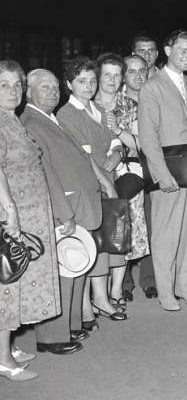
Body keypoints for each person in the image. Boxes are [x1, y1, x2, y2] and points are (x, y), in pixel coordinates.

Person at [21, 69, 105, 355]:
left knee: (76, 265)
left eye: (55, 87)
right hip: (64, 206)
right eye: (44, 87)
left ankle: (70, 324)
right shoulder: (31, 122)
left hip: (77, 202)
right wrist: (63, 211)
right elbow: (45, 172)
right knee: (61, 272)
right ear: (28, 92)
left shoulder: (48, 118)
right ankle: (51, 336)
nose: (52, 92)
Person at [138, 29, 187, 311]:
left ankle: (185, 287)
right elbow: (148, 137)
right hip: (167, 168)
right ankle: (166, 291)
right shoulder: (152, 87)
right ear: (167, 51)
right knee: (166, 233)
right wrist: (161, 175)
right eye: (182, 51)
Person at [0, 60, 60, 381]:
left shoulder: (10, 118)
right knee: (6, 287)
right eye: (4, 85)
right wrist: (9, 210)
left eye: (17, 85)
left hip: (26, 213)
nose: (12, 91)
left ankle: (7, 347)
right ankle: (3, 361)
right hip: (11, 216)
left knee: (16, 280)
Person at [57, 57, 127, 327]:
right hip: (88, 185)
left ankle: (101, 298)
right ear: (69, 84)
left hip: (108, 178)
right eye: (81, 81)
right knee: (89, 243)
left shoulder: (99, 108)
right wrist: (106, 182)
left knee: (106, 242)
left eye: (92, 81)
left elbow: (115, 140)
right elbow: (82, 155)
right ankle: (86, 307)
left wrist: (117, 153)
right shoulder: (66, 114)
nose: (88, 86)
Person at [93, 53, 129, 310]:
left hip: (124, 177)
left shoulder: (129, 105)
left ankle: (115, 290)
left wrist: (118, 148)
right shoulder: (87, 102)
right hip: (95, 174)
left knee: (119, 234)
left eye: (117, 75)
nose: (112, 80)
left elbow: (138, 143)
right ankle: (99, 294)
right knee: (98, 235)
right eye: (107, 74)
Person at [114, 55, 151, 302]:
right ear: (123, 76)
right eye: (131, 71)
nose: (138, 76)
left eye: (142, 71)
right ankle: (124, 283)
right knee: (123, 224)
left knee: (150, 224)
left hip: (152, 166)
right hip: (126, 170)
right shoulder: (115, 101)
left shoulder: (153, 98)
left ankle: (150, 280)